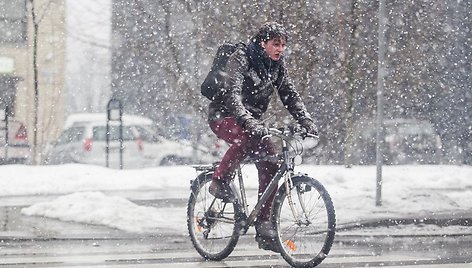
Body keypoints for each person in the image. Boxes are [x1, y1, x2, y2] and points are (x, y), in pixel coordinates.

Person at [206, 22, 317, 252]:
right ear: (262, 42)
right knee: (245, 138)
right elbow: (232, 96)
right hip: (224, 116)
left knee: (270, 162)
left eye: (283, 45)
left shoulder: (276, 66)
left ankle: (265, 228)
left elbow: (289, 94)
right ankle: (218, 181)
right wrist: (247, 121)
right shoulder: (242, 58)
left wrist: (305, 120)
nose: (280, 49)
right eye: (276, 44)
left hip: (253, 122)